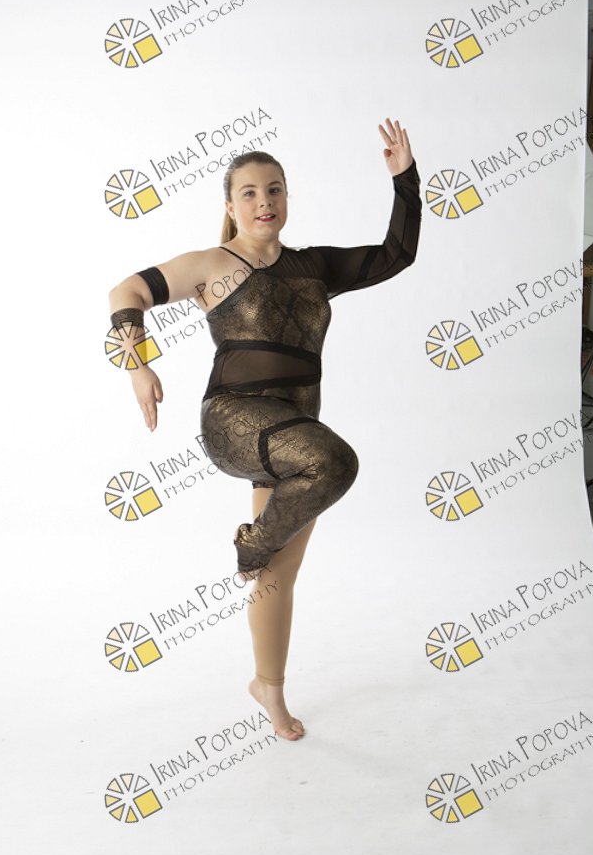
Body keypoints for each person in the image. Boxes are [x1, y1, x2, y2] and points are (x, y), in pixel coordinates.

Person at [108, 118, 421, 740]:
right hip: (233, 419)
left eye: (274, 189)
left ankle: (268, 688)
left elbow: (396, 255)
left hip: (293, 430)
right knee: (334, 464)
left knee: (280, 573)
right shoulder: (211, 264)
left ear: (286, 197)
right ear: (230, 206)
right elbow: (128, 289)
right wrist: (137, 365)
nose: (263, 202)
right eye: (249, 193)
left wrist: (404, 179)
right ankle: (250, 545)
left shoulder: (313, 266)